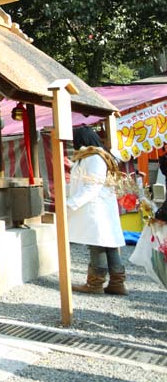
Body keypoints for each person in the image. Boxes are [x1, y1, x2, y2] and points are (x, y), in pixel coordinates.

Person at [67, 126, 127, 295]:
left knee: (98, 244)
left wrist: (71, 203)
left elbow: (92, 184)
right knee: (109, 244)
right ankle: (117, 283)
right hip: (103, 205)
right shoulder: (100, 155)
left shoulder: (94, 157)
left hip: (95, 207)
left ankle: (95, 283)